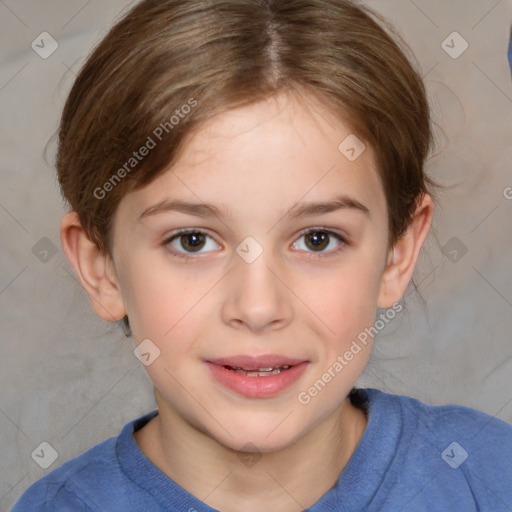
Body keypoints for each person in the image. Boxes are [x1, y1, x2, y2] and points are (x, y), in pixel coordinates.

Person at [11, 0, 512, 511]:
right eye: (192, 241)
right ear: (102, 270)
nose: (257, 307)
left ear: (397, 254)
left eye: (318, 239)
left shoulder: (491, 476)